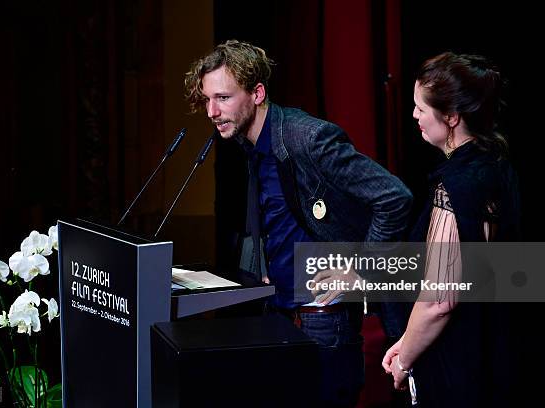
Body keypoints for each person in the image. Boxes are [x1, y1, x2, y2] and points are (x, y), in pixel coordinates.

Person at [185, 40, 412, 407]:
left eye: (223, 98)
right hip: (282, 313)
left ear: (257, 93)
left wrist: (361, 271)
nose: (212, 111)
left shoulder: (308, 138)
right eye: (207, 99)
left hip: (324, 319)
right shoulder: (250, 144)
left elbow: (394, 197)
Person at [382, 52, 520, 407]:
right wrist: (408, 341)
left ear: (452, 117)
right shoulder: (496, 163)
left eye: (420, 108)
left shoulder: (457, 184)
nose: (414, 115)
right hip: (494, 353)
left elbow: (439, 301)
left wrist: (404, 360)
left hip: (457, 362)